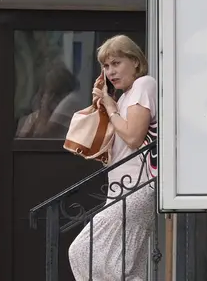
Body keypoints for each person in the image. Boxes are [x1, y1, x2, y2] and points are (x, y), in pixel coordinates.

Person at [68, 35, 157, 281]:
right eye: (106, 66)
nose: (111, 72)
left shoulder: (144, 85)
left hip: (136, 188)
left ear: (136, 62)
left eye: (117, 63)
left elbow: (133, 138)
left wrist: (111, 107)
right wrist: (104, 105)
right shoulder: (125, 95)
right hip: (123, 189)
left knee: (81, 252)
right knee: (127, 269)